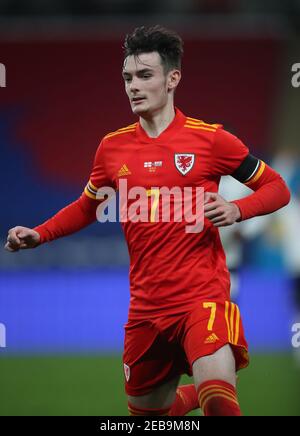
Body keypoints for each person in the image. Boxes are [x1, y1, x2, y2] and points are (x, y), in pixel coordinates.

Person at [5, 25, 291, 416]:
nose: (133, 87)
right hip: (146, 309)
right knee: (149, 415)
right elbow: (88, 206)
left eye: (144, 76)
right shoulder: (112, 148)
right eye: (127, 78)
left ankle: (217, 384)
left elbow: (277, 188)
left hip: (201, 299)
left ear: (172, 79)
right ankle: (210, 386)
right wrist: (40, 233)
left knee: (221, 405)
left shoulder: (211, 140)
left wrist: (236, 209)